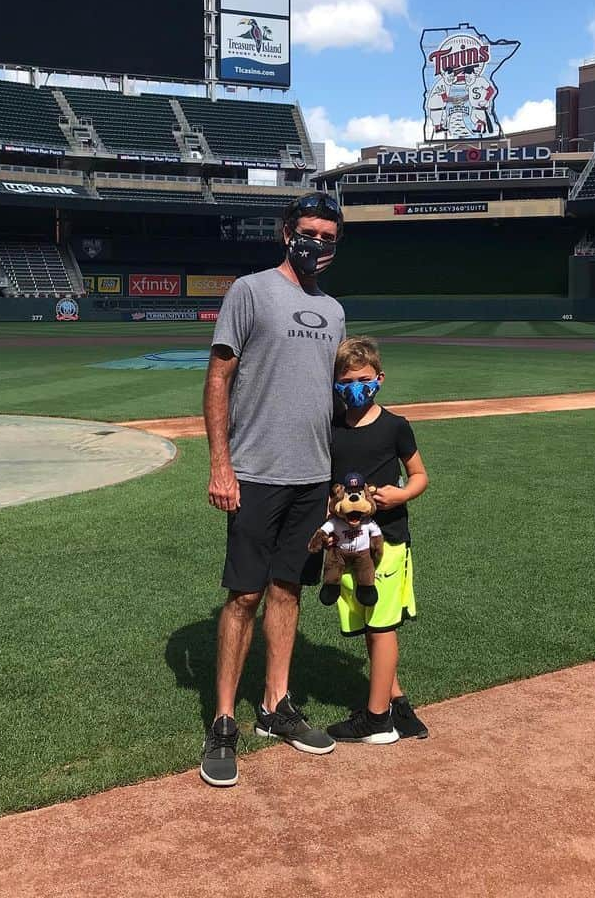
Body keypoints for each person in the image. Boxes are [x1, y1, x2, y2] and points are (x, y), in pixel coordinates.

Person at [200, 191, 346, 788]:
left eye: (328, 238)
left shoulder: (334, 311)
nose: (316, 244)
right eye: (308, 232)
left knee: (287, 591)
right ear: (288, 232)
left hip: (312, 476)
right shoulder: (251, 290)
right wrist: (220, 464)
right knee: (244, 597)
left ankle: (275, 706)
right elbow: (218, 375)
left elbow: (330, 395)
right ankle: (224, 720)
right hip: (256, 472)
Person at [322, 336, 431, 744]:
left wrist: (401, 494)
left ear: (379, 379)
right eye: (346, 381)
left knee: (383, 626)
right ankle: (396, 701)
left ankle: (377, 717)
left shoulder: (395, 426)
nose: (355, 388)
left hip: (386, 540)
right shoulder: (332, 429)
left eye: (363, 380)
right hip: (346, 544)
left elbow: (419, 475)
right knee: (371, 623)